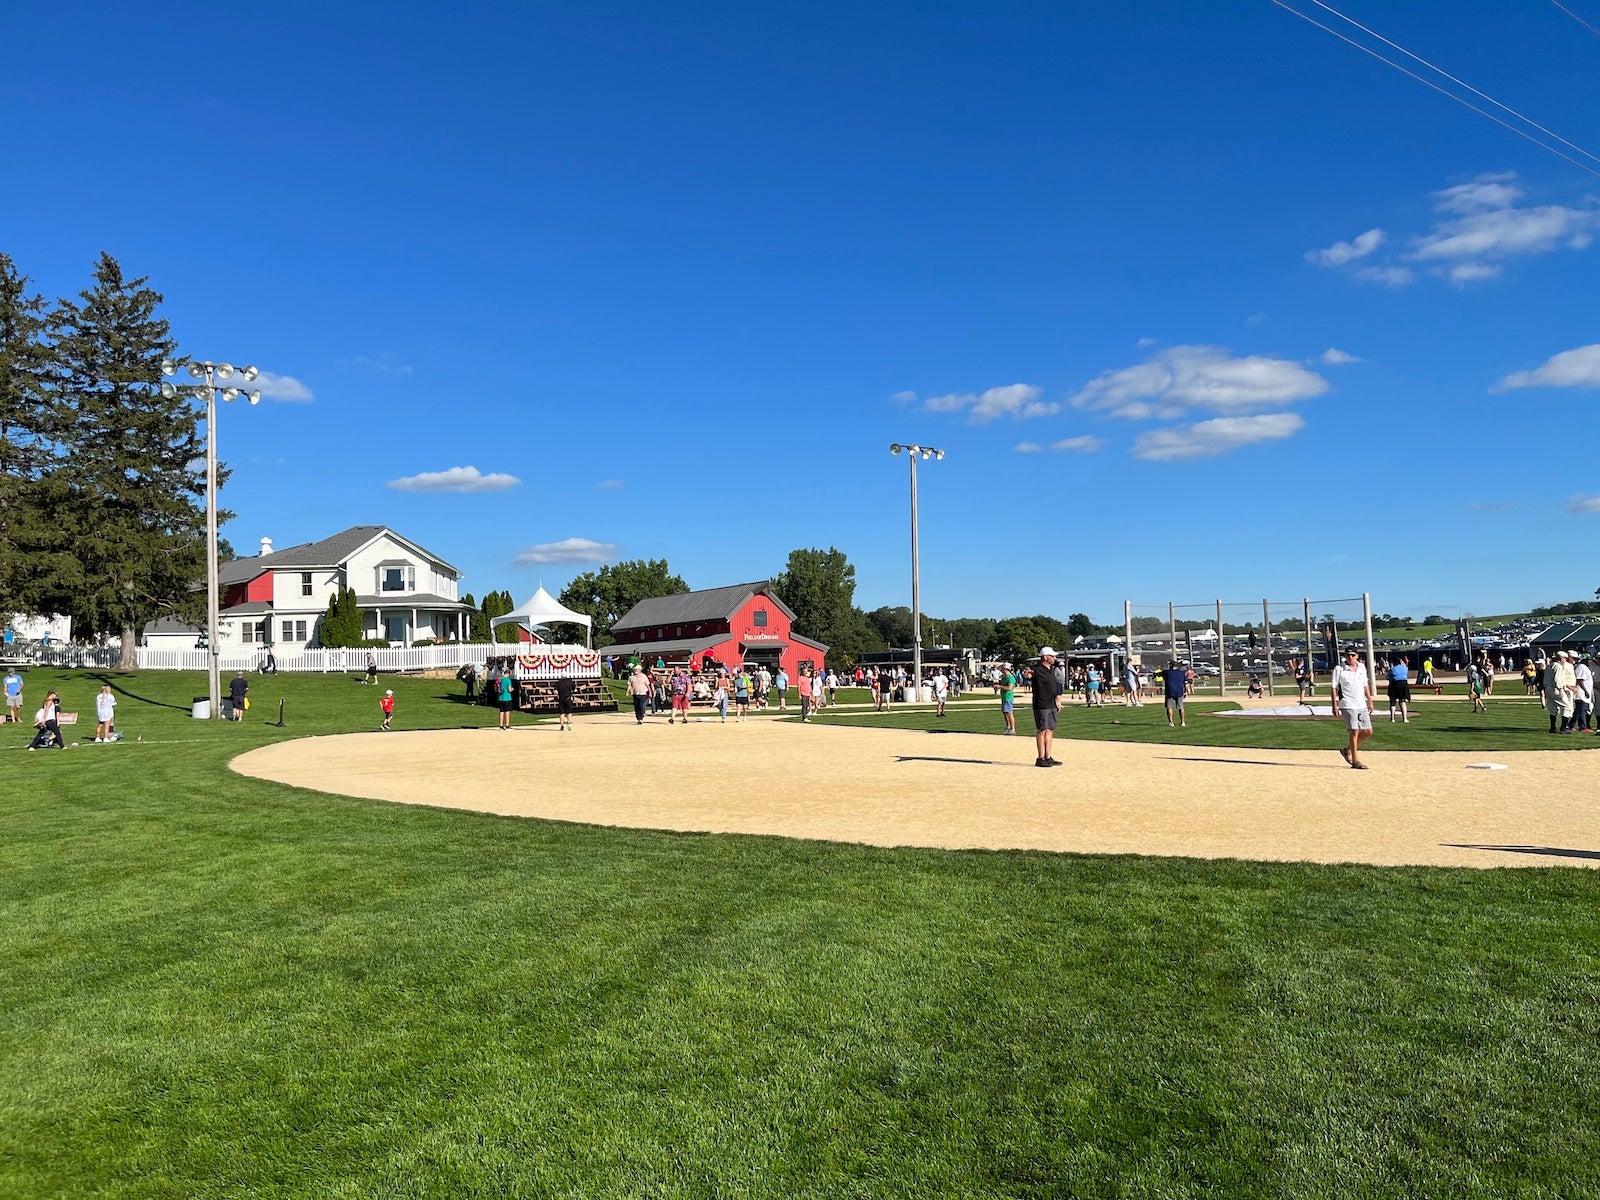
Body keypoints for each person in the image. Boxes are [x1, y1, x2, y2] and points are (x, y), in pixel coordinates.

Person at [1331, 646, 1374, 769]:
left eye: (1353, 655)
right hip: (1348, 704)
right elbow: (1334, 688)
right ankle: (1356, 761)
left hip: (1361, 703)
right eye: (1348, 655)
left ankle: (1347, 750)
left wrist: (1370, 700)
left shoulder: (1361, 667)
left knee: (1368, 731)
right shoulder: (1339, 669)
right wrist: (1335, 704)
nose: (1350, 657)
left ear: (1357, 656)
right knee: (1354, 730)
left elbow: (1365, 685)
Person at [1031, 647, 1063, 767]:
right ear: (1045, 657)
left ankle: (1048, 756)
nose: (1054, 658)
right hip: (1041, 704)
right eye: (1052, 656)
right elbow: (1029, 674)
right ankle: (1040, 758)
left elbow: (1055, 687)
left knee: (1050, 730)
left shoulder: (1051, 670)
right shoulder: (1037, 670)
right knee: (1042, 730)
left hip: (1051, 703)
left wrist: (1057, 701)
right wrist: (1028, 674)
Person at [1545, 650, 1576, 733]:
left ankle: (1553, 728)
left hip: (1548, 688)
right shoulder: (1558, 666)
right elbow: (1557, 679)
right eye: (1565, 658)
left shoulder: (1549, 666)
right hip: (1556, 688)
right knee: (1567, 707)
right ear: (1561, 658)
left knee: (1553, 709)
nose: (1565, 660)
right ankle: (1563, 728)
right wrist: (1561, 689)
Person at [1385, 655, 1411, 724]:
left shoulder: (1392, 669)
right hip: (1404, 684)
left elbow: (1388, 678)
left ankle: (1392, 718)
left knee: (1393, 702)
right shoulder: (1404, 668)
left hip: (1394, 684)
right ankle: (1405, 718)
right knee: (1402, 702)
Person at [1572, 653, 1594, 734]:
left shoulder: (1584, 667)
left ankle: (1571, 725)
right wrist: (1586, 691)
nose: (1590, 661)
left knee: (1579, 710)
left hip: (1583, 692)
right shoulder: (1582, 667)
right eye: (1588, 660)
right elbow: (1580, 680)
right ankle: (1582, 726)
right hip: (1581, 692)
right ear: (1584, 660)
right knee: (1581, 710)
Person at [1164, 659, 1188, 728]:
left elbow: (1161, 674)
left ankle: (1171, 722)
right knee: (1181, 707)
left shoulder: (1167, 672)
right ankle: (1182, 722)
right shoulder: (1181, 673)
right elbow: (1186, 684)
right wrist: (1185, 691)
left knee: (1169, 707)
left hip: (1170, 691)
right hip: (1179, 691)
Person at [999, 663, 1017, 734]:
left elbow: (1009, 688)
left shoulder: (1010, 678)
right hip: (1004, 697)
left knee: (1009, 713)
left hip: (1008, 697)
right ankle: (1008, 726)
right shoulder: (1004, 677)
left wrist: (1000, 686)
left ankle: (1013, 728)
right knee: (1005, 712)